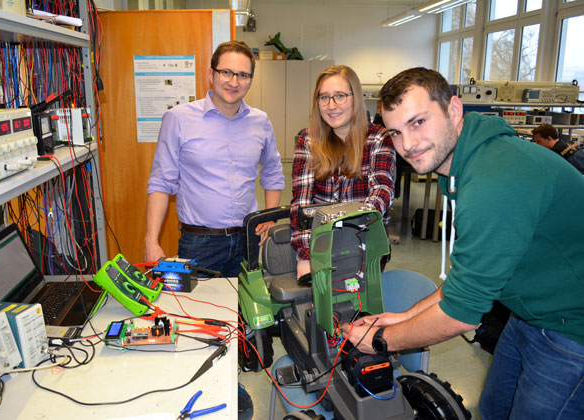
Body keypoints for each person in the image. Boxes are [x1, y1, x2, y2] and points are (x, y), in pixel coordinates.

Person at [341, 67, 584, 419]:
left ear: (454, 110)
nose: (407, 145)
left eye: (418, 122)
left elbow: (461, 314)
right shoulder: (463, 165)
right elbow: (466, 281)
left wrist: (381, 340)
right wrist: (401, 318)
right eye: (395, 131)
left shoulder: (493, 179)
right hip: (529, 313)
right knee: (493, 409)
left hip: (571, 329)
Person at [144, 40, 285, 279]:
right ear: (211, 73)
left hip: (246, 239)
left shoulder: (260, 121)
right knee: (197, 312)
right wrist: (151, 240)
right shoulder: (178, 119)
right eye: (226, 72)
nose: (234, 82)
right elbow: (160, 183)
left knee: (242, 308)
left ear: (251, 79)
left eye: (242, 75)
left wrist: (269, 217)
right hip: (199, 242)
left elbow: (272, 171)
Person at [289, 65, 395, 283]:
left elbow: (381, 191)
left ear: (355, 98)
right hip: (319, 246)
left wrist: (346, 231)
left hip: (364, 245)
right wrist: (304, 255)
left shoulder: (378, 138)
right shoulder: (308, 141)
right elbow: (302, 204)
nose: (331, 105)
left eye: (340, 96)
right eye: (324, 98)